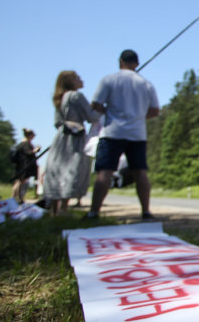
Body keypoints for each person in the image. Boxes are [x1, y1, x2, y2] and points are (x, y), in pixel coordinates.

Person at [87, 49, 160, 219]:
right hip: (137, 133)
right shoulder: (145, 84)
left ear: (120, 61)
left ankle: (94, 212)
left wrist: (108, 112)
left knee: (104, 171)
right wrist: (140, 117)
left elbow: (95, 104)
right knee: (140, 171)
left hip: (112, 132)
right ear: (137, 64)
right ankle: (146, 211)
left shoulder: (109, 80)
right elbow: (155, 110)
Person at [43, 71, 100, 215]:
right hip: (74, 139)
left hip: (61, 138)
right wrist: (101, 108)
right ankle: (63, 209)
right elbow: (92, 117)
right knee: (71, 169)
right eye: (77, 78)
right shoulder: (76, 96)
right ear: (70, 81)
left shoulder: (59, 98)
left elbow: (57, 122)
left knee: (58, 168)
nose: (81, 79)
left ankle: (54, 211)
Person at [10, 128, 40, 203]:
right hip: (24, 166)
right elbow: (28, 153)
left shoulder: (21, 143)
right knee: (20, 182)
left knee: (19, 182)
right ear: (30, 136)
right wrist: (35, 150)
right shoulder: (25, 144)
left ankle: (17, 198)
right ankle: (16, 197)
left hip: (21, 165)